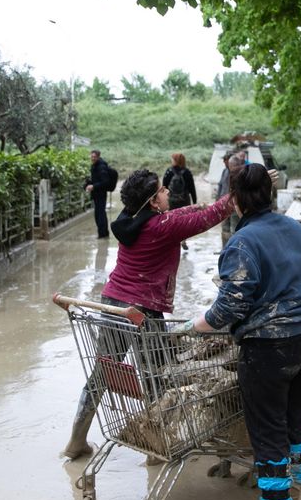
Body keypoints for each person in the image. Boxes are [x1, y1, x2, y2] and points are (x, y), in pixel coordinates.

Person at [179, 163, 301, 500]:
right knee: (294, 415)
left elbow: (230, 307)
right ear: (271, 194)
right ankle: (292, 490)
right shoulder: (297, 229)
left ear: (236, 200)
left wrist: (195, 326)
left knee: (267, 427)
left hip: (269, 346)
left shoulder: (242, 243)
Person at [61, 168, 236, 460]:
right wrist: (239, 192)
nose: (168, 191)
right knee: (154, 375)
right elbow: (208, 219)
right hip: (142, 310)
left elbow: (176, 216)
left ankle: (76, 440)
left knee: (104, 370)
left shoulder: (126, 219)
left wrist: (192, 206)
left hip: (114, 301)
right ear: (154, 202)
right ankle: (156, 447)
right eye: (163, 190)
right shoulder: (161, 227)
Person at [216, 150, 246, 245]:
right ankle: (225, 248)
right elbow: (220, 186)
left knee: (235, 228)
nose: (225, 163)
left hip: (234, 206)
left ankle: (234, 248)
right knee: (225, 228)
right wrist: (217, 201)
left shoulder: (240, 173)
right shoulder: (224, 171)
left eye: (226, 160)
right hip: (223, 205)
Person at [84, 150, 113, 239]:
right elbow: (96, 179)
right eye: (91, 156)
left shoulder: (101, 167)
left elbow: (105, 182)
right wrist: (88, 184)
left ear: (98, 157)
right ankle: (102, 234)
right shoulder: (95, 165)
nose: (92, 158)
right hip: (96, 193)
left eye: (94, 157)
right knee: (98, 214)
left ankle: (103, 234)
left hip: (100, 193)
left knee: (100, 214)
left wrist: (94, 186)